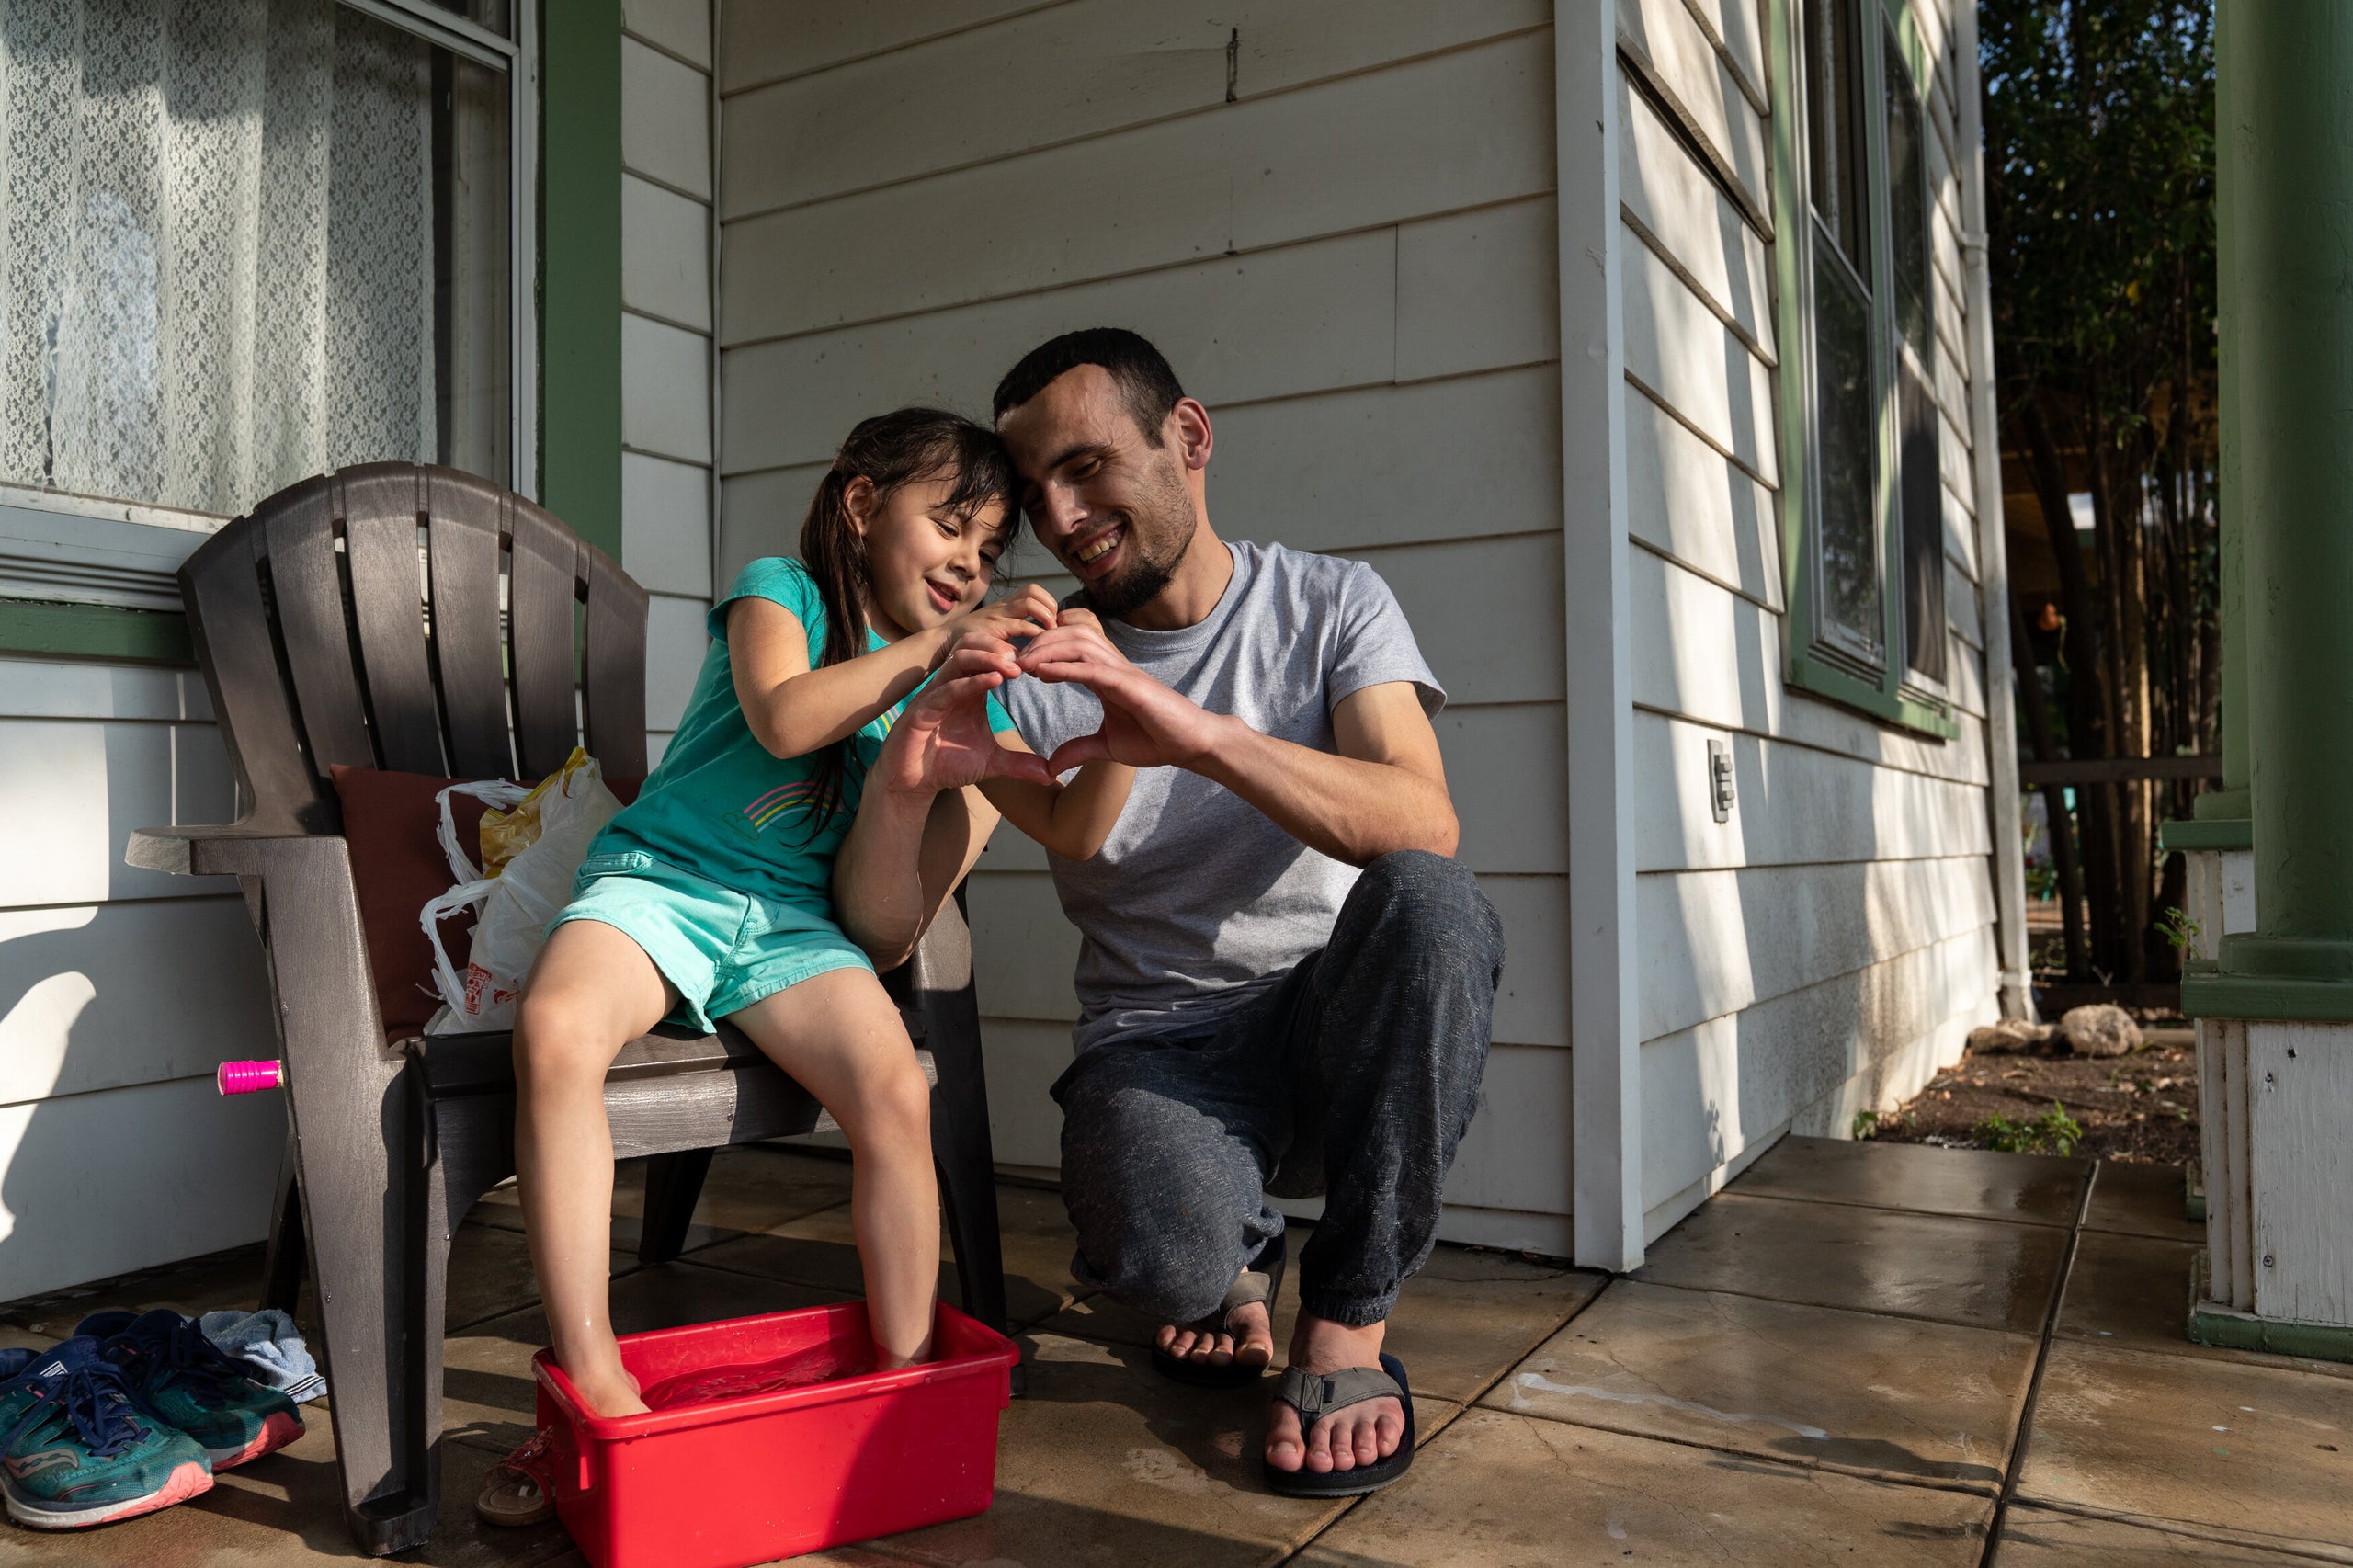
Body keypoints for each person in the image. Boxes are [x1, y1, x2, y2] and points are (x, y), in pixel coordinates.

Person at [835, 331, 1503, 1498]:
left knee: (1431, 903)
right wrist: (906, 768)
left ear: (1188, 439)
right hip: (1164, 1046)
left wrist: (1194, 731)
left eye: (1087, 466)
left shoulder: (1332, 601)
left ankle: (1344, 1325)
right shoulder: (1041, 663)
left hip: (1332, 1022)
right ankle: (1228, 1268)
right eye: (1037, 489)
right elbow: (894, 925)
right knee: (1155, 1259)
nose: (1062, 513)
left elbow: (1422, 822)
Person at [477, 408, 1132, 1526]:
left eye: (987, 549)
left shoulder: (940, 684)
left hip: (789, 928)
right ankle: (591, 1362)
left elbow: (1072, 827)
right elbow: (784, 718)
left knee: (891, 1087)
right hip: (662, 881)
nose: (970, 566)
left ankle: (907, 1369)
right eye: (950, 528)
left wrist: (1121, 713)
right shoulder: (783, 590)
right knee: (556, 1030)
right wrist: (932, 650)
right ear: (863, 504)